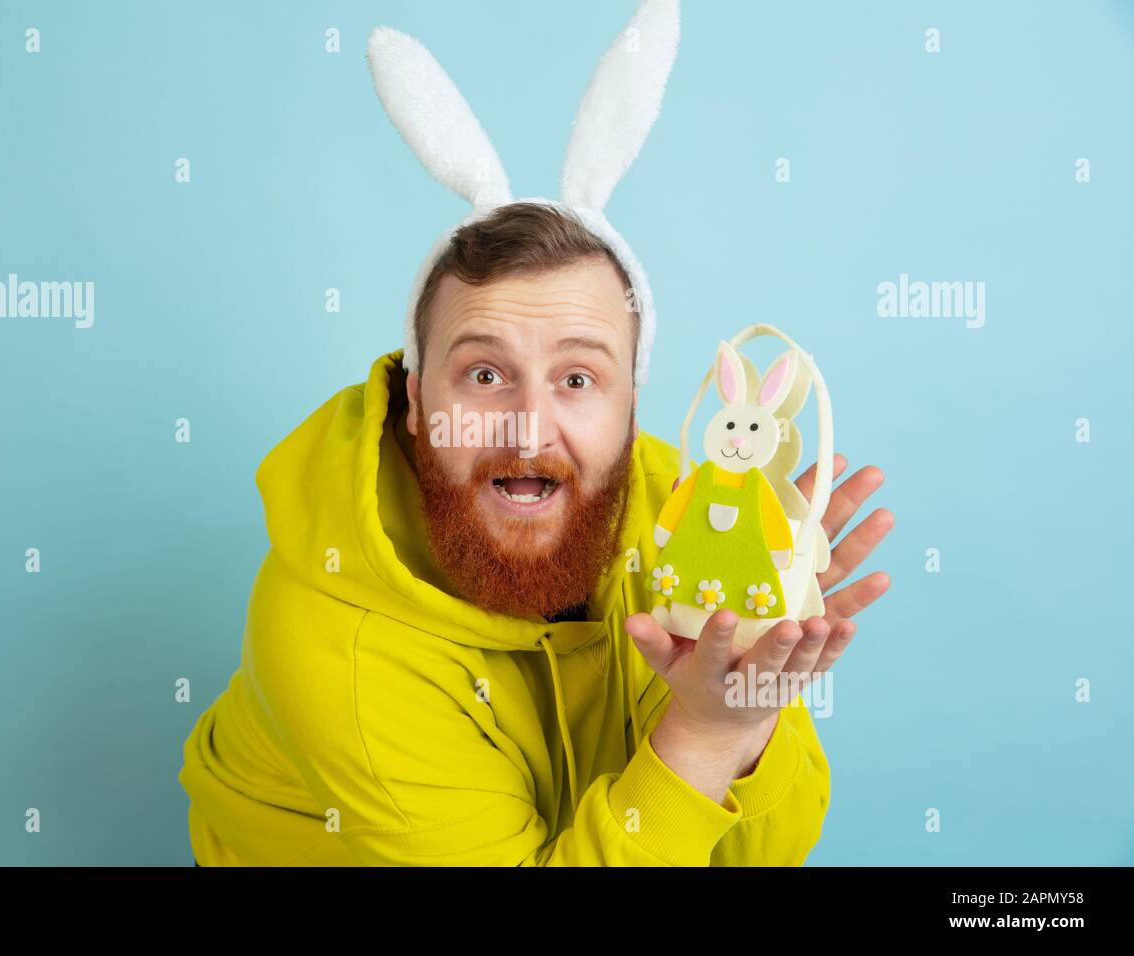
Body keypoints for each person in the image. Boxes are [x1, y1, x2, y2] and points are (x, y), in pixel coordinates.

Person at [178, 201, 893, 865]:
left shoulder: (678, 513)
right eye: (485, 374)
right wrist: (701, 735)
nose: (528, 428)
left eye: (578, 379)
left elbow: (758, 856)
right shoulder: (337, 649)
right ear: (418, 402)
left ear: (631, 410)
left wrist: (743, 702)